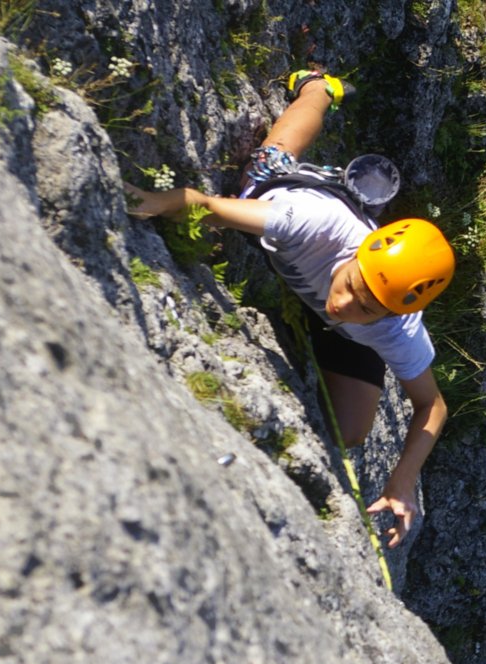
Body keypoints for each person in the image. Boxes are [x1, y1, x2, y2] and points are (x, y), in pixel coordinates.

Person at [124, 70, 453, 549]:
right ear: (357, 256)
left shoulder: (396, 330)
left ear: (388, 316)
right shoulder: (308, 222)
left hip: (336, 331)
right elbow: (204, 204)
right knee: (266, 165)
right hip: (288, 198)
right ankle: (321, 87)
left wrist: (403, 481)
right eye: (350, 284)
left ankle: (315, 326)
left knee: (350, 430)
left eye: (365, 307)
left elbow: (433, 406)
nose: (343, 301)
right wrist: (149, 202)